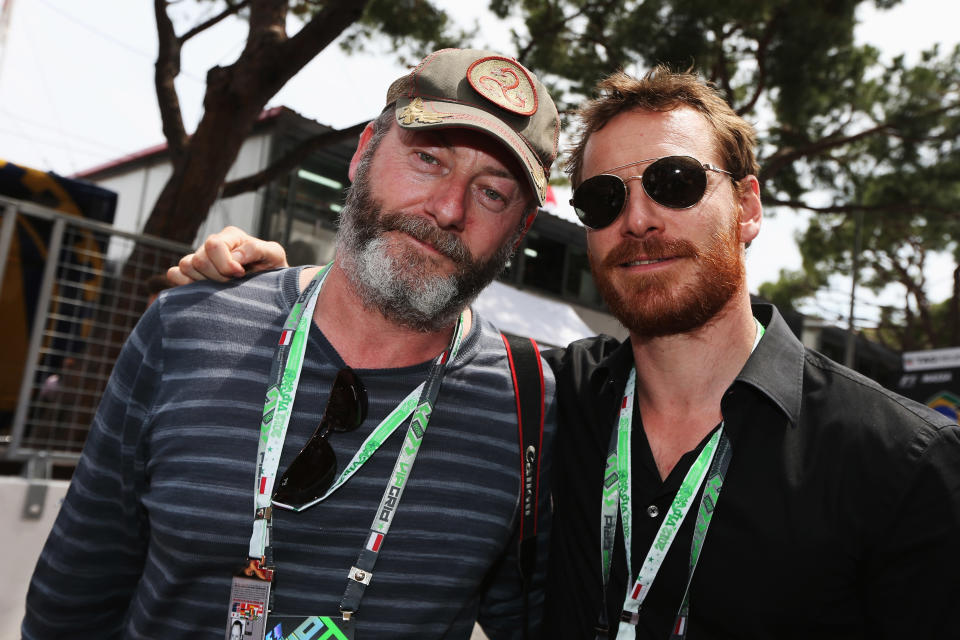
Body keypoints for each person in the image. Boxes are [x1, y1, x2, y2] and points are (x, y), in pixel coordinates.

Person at [188, 67, 960, 640]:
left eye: (677, 181)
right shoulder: (549, 396)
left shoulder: (903, 460)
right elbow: (402, 336)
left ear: (749, 206)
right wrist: (275, 288)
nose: (640, 219)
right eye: (602, 199)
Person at [22, 48, 560, 640]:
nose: (447, 208)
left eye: (492, 193)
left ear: (520, 231)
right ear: (362, 155)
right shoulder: (186, 326)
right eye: (428, 158)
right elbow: (70, 603)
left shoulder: (529, 407)